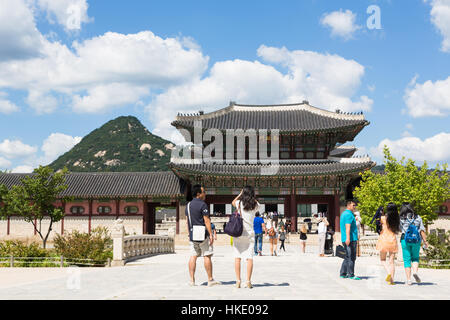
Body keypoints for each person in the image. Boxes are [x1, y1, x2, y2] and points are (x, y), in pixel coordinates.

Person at [186, 184, 220, 287]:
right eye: (203, 192)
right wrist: (211, 234)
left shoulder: (188, 205)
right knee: (207, 255)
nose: (205, 194)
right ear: (198, 194)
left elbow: (188, 222)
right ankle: (210, 279)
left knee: (193, 256)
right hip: (202, 234)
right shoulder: (203, 204)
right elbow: (206, 220)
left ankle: (192, 280)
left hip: (192, 234)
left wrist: (189, 233)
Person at [232, 186, 260, 289]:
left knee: (237, 256)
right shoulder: (255, 204)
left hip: (239, 232)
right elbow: (257, 203)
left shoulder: (239, 203)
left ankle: (238, 281)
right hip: (249, 233)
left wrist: (240, 195)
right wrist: (252, 196)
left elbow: (233, 202)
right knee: (249, 257)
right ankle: (248, 281)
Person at [399, 202, 429, 285]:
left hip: (405, 240)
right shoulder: (418, 217)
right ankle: (415, 272)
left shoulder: (401, 218)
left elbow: (399, 229)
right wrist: (425, 241)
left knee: (406, 259)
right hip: (416, 240)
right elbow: (422, 230)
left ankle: (409, 280)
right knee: (415, 258)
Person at [376, 203, 400, 285]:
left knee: (383, 260)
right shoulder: (397, 219)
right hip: (392, 240)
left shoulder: (383, 218)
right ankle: (391, 280)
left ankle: (389, 273)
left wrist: (381, 212)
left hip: (383, 239)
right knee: (392, 261)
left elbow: (377, 220)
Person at [339, 200, 361, 280]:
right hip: (350, 239)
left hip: (346, 238)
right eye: (353, 205)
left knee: (347, 256)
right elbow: (347, 227)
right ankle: (351, 274)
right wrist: (348, 238)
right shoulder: (348, 214)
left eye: (355, 205)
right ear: (348, 205)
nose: (354, 206)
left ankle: (343, 273)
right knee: (351, 257)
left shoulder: (344, 214)